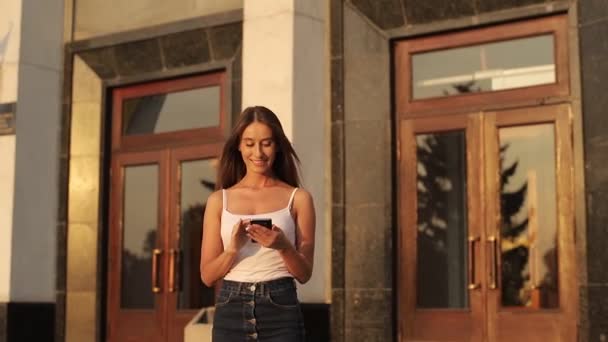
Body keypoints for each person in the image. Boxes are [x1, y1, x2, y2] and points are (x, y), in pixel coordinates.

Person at [200, 106, 316, 342]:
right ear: (238, 146)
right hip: (231, 308)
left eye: (267, 143)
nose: (258, 152)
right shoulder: (217, 201)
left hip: (281, 309)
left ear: (277, 146)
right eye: (250, 143)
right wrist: (232, 250)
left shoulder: (299, 198)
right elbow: (207, 276)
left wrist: (283, 246)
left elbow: (304, 274)